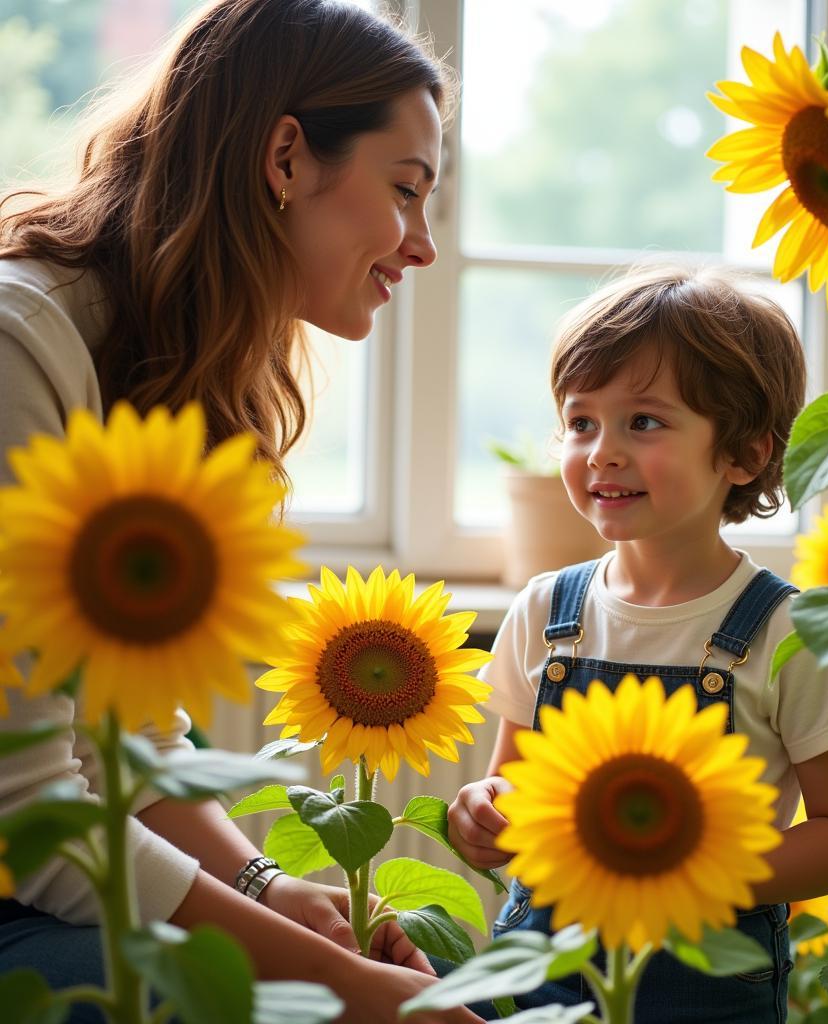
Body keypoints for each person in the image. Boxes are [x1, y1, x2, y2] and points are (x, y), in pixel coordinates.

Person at [0, 1, 485, 1021]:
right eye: (407, 190)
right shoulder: (22, 349)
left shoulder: (169, 370)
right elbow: (29, 802)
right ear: (284, 159)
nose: (424, 245)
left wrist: (275, 894)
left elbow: (130, 740)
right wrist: (353, 988)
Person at [448, 265, 828, 1022]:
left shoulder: (787, 633)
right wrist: (481, 816)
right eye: (581, 422)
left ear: (744, 456)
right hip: (543, 967)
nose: (602, 451)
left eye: (643, 422)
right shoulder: (546, 611)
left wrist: (687, 875)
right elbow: (514, 789)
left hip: (707, 981)